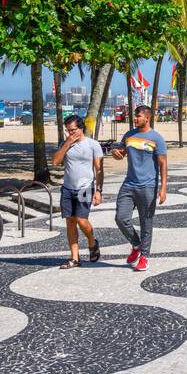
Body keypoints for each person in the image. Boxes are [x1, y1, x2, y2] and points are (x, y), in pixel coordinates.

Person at [108, 105, 167, 272]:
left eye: (138, 116)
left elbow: (163, 164)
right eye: (135, 116)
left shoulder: (157, 138)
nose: (135, 119)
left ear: (147, 118)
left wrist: (163, 188)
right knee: (121, 217)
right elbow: (119, 153)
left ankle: (144, 257)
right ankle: (136, 245)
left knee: (146, 222)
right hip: (129, 184)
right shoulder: (129, 135)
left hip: (148, 186)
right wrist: (115, 153)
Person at [51, 114, 104, 269]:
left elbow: (99, 170)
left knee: (81, 220)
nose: (70, 133)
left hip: (86, 187)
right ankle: (75, 258)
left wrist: (98, 190)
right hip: (67, 188)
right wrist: (67, 143)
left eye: (73, 130)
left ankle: (92, 242)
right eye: (68, 130)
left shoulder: (93, 145)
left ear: (81, 129)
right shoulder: (65, 143)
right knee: (70, 221)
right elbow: (55, 162)